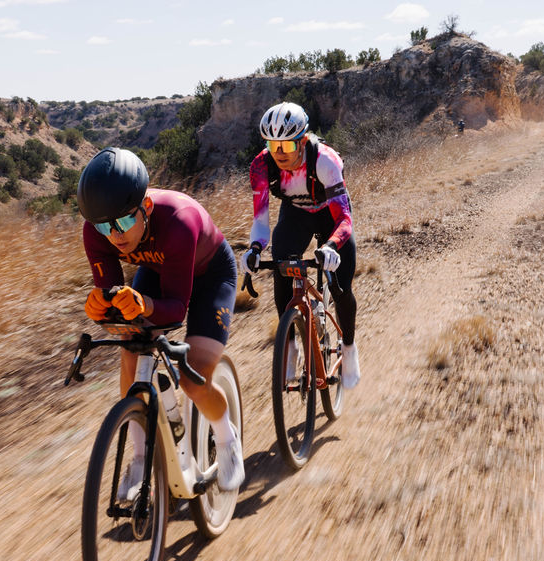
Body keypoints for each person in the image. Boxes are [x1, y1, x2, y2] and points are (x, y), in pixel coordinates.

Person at [77, 147, 243, 499]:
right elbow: (111, 300)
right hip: (156, 274)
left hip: (210, 277)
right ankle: (139, 459)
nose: (115, 234)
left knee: (193, 378)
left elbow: (176, 310)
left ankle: (227, 439)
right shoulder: (97, 232)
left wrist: (144, 304)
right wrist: (101, 309)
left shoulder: (178, 221)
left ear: (146, 208)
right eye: (105, 226)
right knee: (131, 348)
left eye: (123, 222)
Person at [239, 102, 360, 389]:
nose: (279, 153)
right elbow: (260, 219)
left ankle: (350, 349)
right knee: (282, 266)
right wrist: (255, 249)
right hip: (297, 215)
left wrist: (331, 246)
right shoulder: (260, 165)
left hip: (331, 217)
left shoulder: (325, 160)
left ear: (303, 141)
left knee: (341, 288)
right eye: (272, 144)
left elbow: (344, 218)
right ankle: (290, 345)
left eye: (288, 146)